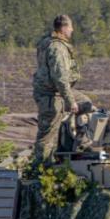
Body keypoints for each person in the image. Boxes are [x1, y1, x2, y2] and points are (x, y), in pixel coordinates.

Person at [32, 14, 93, 166]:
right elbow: (60, 77)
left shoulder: (46, 42)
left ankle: (79, 145)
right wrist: (70, 100)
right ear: (64, 28)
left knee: (86, 104)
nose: (72, 31)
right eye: (71, 27)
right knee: (47, 134)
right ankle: (40, 170)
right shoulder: (57, 47)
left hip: (57, 91)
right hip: (51, 95)